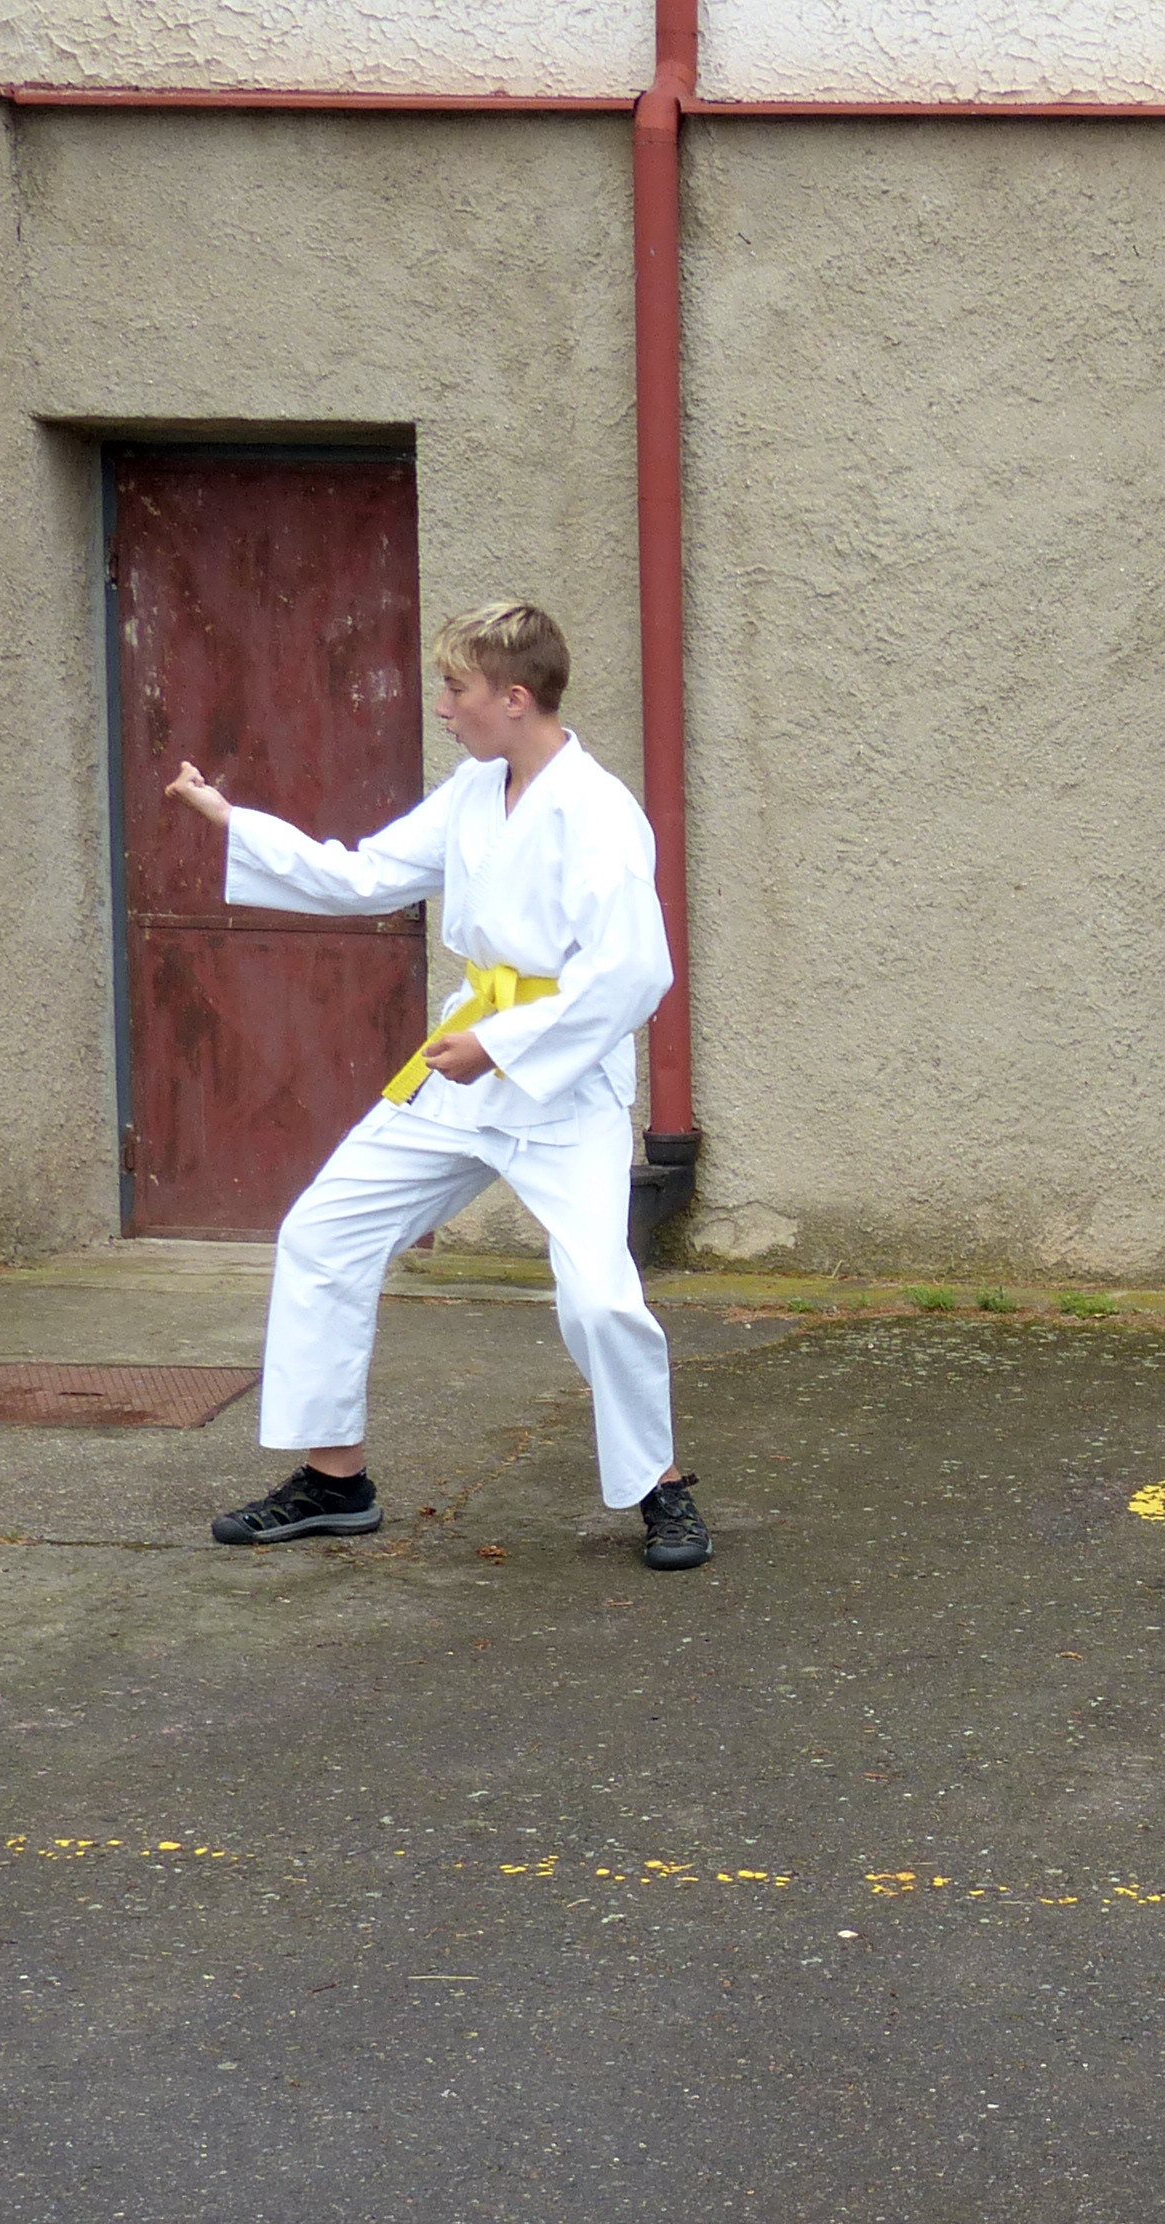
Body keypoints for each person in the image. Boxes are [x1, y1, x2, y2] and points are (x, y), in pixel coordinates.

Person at [165, 600, 708, 1573]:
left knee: (598, 1298)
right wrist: (232, 822)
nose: (444, 707)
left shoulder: (597, 813)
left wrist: (501, 1044)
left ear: (516, 696)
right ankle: (335, 1482)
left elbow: (633, 973)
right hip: (461, 1067)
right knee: (324, 1232)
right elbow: (366, 876)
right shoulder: (473, 791)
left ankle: (659, 1487)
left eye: (457, 688)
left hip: (561, 1086)